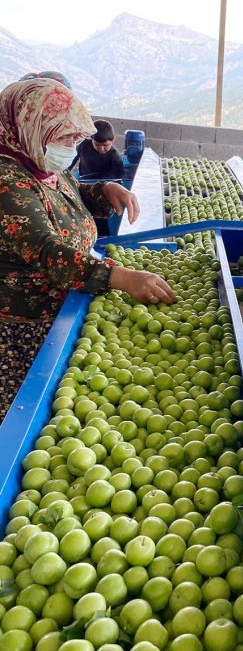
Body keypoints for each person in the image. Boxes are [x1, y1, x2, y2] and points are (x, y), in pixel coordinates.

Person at [0, 78, 175, 421]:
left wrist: (103, 190)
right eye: (63, 139)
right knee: (21, 417)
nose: (70, 147)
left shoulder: (41, 164)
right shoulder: (6, 181)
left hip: (62, 311)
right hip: (23, 330)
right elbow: (48, 250)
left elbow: (69, 194)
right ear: (31, 127)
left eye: (74, 140)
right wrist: (119, 276)